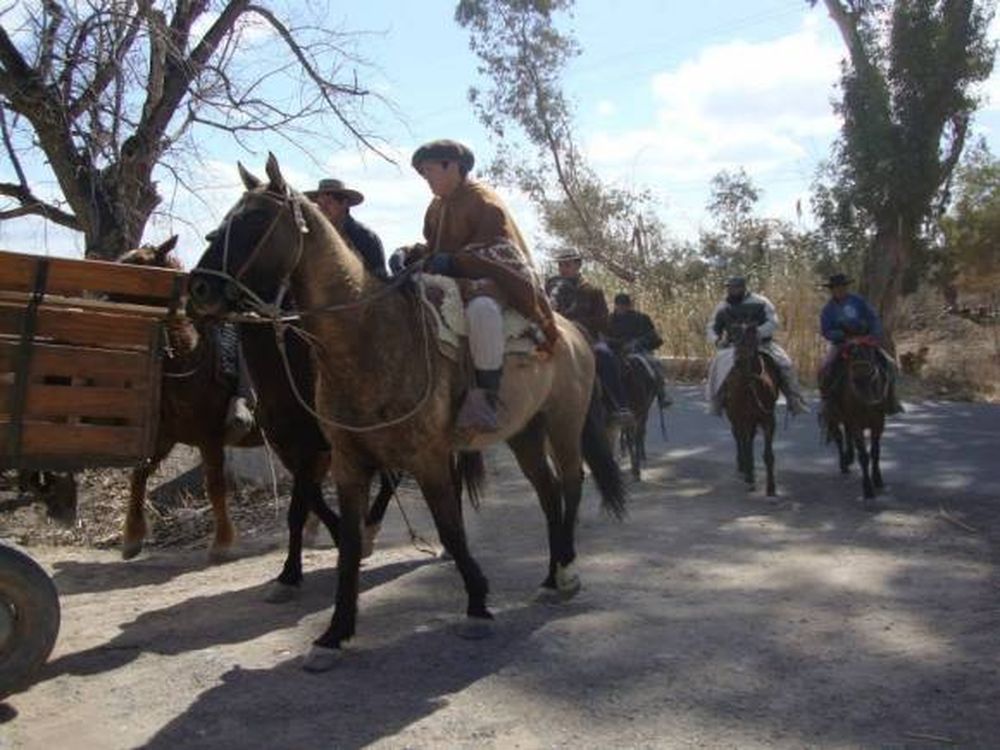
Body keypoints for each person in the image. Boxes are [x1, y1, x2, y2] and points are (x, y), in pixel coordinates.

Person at [397, 139, 559, 435]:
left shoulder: (485, 201)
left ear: (453, 166)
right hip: (452, 281)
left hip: (494, 282)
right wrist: (410, 253)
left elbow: (499, 253)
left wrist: (454, 262)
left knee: (482, 311)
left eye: (429, 170)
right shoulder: (435, 207)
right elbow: (434, 249)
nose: (426, 178)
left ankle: (486, 397)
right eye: (422, 173)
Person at [544, 248, 633, 423]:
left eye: (567, 264)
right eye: (560, 264)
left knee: (605, 356)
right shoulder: (550, 288)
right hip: (555, 336)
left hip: (586, 339)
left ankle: (619, 406)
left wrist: (576, 323)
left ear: (578, 265)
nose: (563, 268)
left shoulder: (592, 290)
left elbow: (603, 321)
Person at [705, 276, 809, 416]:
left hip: (762, 344)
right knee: (716, 366)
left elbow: (773, 322)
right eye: (730, 287)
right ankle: (715, 402)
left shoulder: (761, 302)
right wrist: (717, 340)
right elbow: (712, 327)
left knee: (785, 364)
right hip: (734, 347)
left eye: (737, 287)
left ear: (744, 287)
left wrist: (756, 333)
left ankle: (794, 400)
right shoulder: (723, 306)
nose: (733, 290)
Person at [819, 273, 903, 414]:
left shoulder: (859, 301)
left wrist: (873, 334)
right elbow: (826, 330)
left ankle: (891, 400)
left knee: (890, 364)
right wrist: (842, 336)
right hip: (842, 343)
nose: (839, 290)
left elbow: (873, 318)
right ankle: (828, 404)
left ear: (846, 287)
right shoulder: (828, 309)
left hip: (866, 340)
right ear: (831, 290)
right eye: (835, 288)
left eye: (842, 287)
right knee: (824, 369)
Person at [305, 178, 388, 278]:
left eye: (328, 203)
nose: (322, 208)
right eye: (319, 204)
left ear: (344, 203)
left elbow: (380, 280)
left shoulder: (366, 237)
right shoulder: (312, 236)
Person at [608, 292, 672, 407]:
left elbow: (653, 336)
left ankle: (662, 394)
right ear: (615, 305)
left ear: (630, 305)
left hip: (638, 351)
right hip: (616, 351)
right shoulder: (609, 320)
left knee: (655, 363)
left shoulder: (641, 318)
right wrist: (617, 344)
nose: (622, 308)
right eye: (619, 305)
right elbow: (603, 336)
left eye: (625, 305)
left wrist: (638, 342)